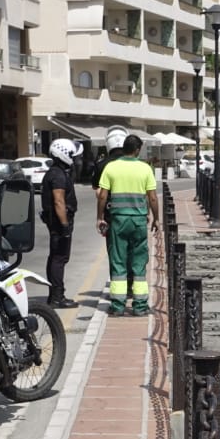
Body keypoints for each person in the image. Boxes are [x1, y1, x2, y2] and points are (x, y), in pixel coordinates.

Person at [96, 133, 159, 316]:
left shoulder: (111, 167)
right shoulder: (145, 168)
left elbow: (102, 195)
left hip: (118, 221)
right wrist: (156, 218)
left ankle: (117, 306)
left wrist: (100, 217)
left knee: (118, 261)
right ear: (137, 150)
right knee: (139, 263)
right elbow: (152, 197)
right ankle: (139, 306)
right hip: (139, 221)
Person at [41, 138, 81, 308]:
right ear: (64, 153)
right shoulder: (57, 175)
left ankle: (55, 295)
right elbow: (59, 201)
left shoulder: (55, 172)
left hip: (55, 223)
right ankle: (57, 296)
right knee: (59, 258)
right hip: (59, 224)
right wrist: (64, 225)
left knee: (56, 258)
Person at [93, 124, 130, 294]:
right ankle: (132, 287)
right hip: (134, 215)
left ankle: (118, 290)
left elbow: (99, 193)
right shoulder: (136, 163)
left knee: (115, 254)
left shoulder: (102, 165)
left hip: (111, 215)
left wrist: (99, 217)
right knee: (133, 253)